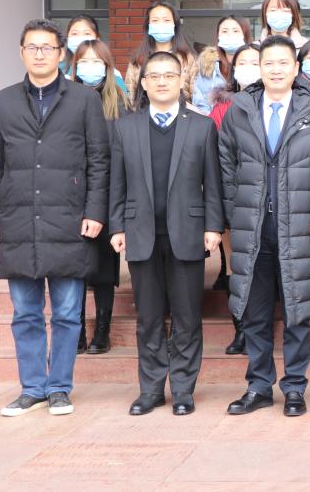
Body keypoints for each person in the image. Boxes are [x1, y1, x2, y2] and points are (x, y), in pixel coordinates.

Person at [0, 19, 109, 417]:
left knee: (68, 313)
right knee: (25, 313)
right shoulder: (3, 101)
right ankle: (33, 387)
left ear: (61, 54)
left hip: (69, 219)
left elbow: (99, 161)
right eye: (32, 47)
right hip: (18, 219)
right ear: (22, 52)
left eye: (47, 48)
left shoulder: (83, 100)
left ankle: (59, 388)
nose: (40, 54)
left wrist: (95, 211)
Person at [219, 35, 310, 417]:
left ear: (296, 68)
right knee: (254, 313)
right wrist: (234, 216)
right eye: (268, 63)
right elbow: (226, 167)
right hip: (253, 229)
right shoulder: (239, 110)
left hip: (300, 227)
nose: (275, 70)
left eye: (283, 63)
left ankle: (294, 388)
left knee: (296, 312)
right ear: (260, 68)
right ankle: (258, 386)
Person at [108, 51, 224, 416]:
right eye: (154, 76)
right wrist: (116, 226)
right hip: (141, 233)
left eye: (169, 75)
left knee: (187, 317)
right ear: (143, 83)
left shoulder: (202, 126)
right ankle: (151, 390)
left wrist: (213, 227)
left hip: (188, 233)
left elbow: (214, 183)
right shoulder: (126, 127)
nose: (161, 81)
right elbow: (116, 183)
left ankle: (184, 390)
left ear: (181, 81)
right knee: (149, 318)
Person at [68, 39, 129, 355]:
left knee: (104, 268)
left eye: (97, 62)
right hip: (71, 196)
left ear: (107, 68)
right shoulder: (65, 98)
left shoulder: (119, 102)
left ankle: (102, 331)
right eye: (83, 62)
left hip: (107, 194)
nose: (90, 68)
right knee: (74, 268)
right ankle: (77, 330)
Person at [208, 43, 261, 355]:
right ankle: (241, 329)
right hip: (233, 197)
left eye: (256, 61)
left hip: (268, 198)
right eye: (244, 63)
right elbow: (215, 155)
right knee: (235, 265)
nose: (250, 68)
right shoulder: (222, 107)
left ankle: (261, 326)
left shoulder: (276, 103)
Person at [125, 2, 197, 104]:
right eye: (155, 20)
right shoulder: (138, 59)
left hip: (182, 112)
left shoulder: (188, 58)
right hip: (144, 113)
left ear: (175, 25)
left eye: (166, 20)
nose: (161, 24)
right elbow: (130, 98)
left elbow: (197, 98)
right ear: (148, 25)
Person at [191, 15, 252, 116]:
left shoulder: (256, 66)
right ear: (218, 36)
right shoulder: (208, 68)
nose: (230, 35)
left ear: (245, 35)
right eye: (224, 31)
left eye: (235, 31)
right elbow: (200, 104)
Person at [63, 15, 127, 92]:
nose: (80, 38)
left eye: (87, 33)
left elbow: (122, 96)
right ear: (67, 37)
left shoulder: (113, 75)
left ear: (97, 38)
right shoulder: (58, 69)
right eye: (74, 34)